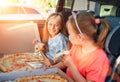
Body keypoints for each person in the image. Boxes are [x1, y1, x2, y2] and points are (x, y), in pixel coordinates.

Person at [52, 11, 110, 82]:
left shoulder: (99, 59)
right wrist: (50, 68)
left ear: (80, 37)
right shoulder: (77, 46)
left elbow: (70, 64)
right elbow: (65, 62)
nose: (68, 36)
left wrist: (71, 66)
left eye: (69, 34)